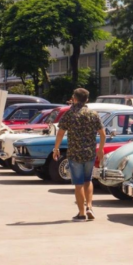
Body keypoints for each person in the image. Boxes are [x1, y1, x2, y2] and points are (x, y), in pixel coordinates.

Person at [53, 88, 106, 222]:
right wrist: (100, 149)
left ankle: (81, 213)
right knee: (88, 180)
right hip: (90, 152)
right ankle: (89, 207)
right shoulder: (93, 114)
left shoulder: (69, 114)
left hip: (74, 153)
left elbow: (60, 133)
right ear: (87, 99)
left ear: (74, 98)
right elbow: (102, 134)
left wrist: (56, 148)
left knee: (78, 184)